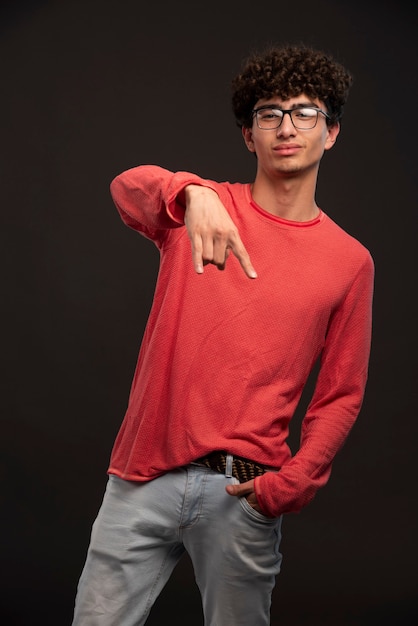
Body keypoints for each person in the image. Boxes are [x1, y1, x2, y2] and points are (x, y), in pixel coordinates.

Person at [72, 43, 374, 625]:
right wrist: (192, 192)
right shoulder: (197, 212)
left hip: (245, 494)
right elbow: (125, 187)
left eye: (305, 112)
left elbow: (341, 395)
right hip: (141, 478)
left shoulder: (350, 261)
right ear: (249, 135)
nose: (287, 127)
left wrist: (292, 485)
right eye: (269, 113)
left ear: (330, 132)